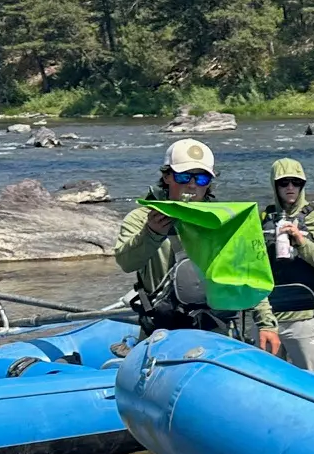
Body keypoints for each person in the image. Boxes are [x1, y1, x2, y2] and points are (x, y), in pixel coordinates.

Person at [115, 139, 281, 353]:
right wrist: (152, 233)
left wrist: (266, 322)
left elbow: (247, 274)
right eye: (184, 176)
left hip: (217, 331)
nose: (192, 185)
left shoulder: (224, 220)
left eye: (201, 178)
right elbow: (127, 262)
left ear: (209, 183)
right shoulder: (141, 219)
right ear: (167, 177)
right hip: (161, 333)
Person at [262, 158, 314, 372]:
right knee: (265, 385)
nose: (290, 187)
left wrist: (302, 242)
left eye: (295, 182)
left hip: (304, 320)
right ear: (274, 185)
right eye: (284, 182)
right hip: (268, 319)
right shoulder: (260, 220)